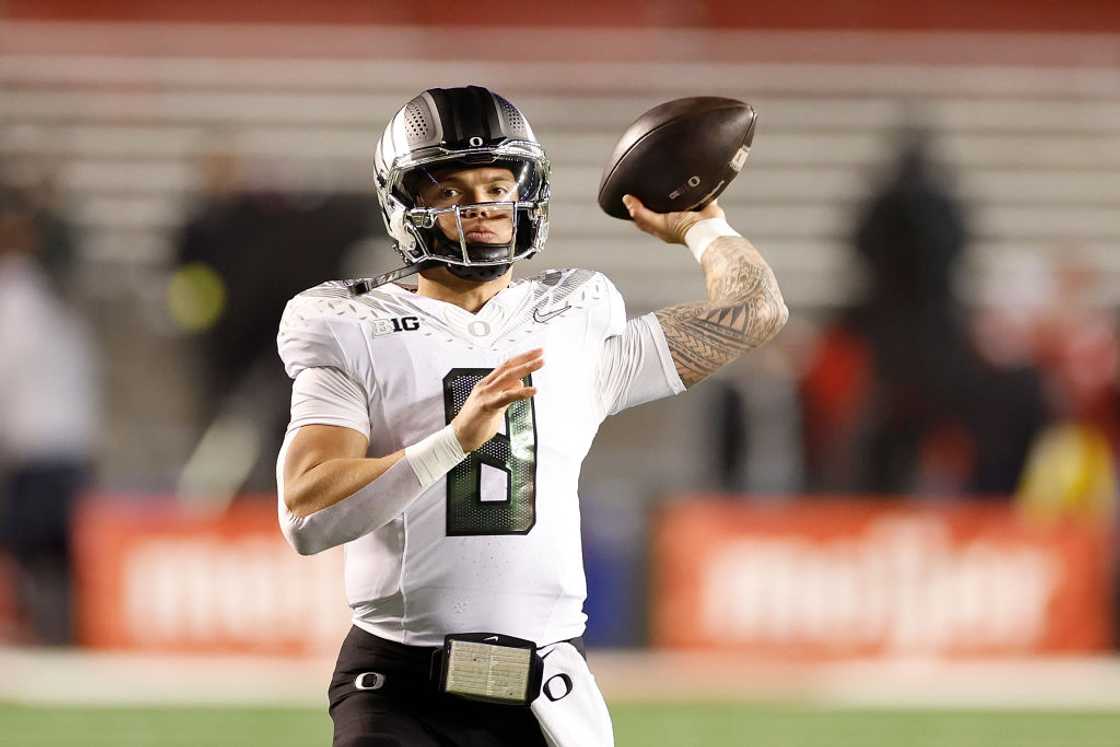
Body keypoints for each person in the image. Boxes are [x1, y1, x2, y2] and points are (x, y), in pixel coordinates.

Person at [275, 86, 787, 747]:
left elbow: (756, 312)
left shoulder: (573, 320)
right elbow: (307, 514)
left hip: (545, 690)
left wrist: (700, 224)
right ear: (407, 204)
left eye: (496, 184)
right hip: (402, 691)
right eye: (452, 191)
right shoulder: (352, 326)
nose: (482, 205)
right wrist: (452, 442)